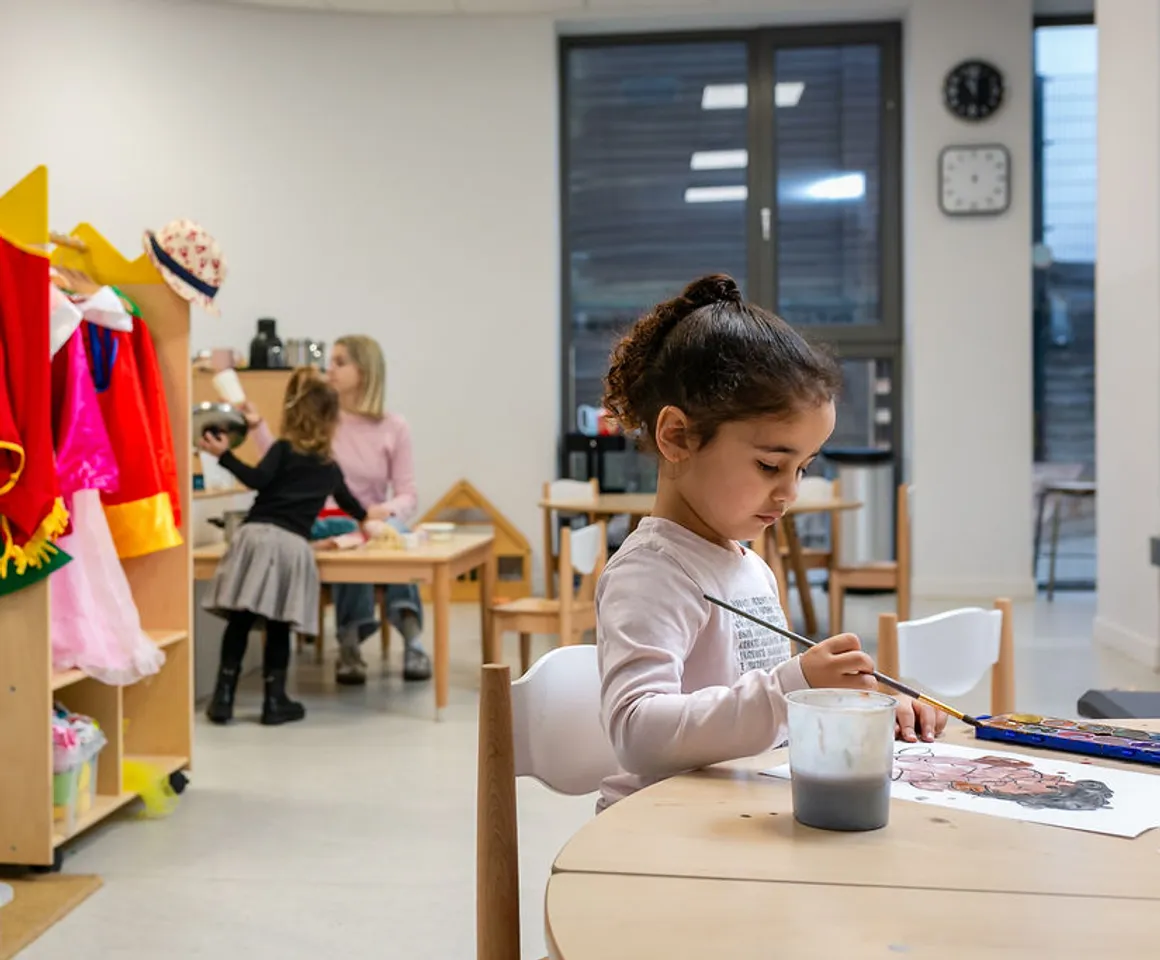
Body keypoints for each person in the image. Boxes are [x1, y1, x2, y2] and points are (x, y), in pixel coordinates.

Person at [595, 274, 947, 810]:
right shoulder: (651, 573)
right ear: (677, 437)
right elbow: (639, 732)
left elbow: (758, 720)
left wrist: (854, 707)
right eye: (769, 465)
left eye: (802, 468)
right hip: (659, 836)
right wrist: (793, 689)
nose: (789, 492)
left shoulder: (750, 568)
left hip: (733, 817)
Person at [200, 368, 387, 725]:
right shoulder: (329, 468)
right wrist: (371, 521)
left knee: (239, 620)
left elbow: (257, 480)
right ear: (331, 422)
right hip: (290, 547)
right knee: (279, 625)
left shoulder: (283, 450)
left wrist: (224, 455)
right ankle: (275, 701)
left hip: (254, 536)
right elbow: (353, 507)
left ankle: (223, 698)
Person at [244, 335, 429, 686]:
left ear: (365, 371)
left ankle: (412, 638)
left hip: (368, 520)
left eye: (340, 362)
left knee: (396, 535)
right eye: (331, 360)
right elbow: (283, 460)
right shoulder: (323, 422)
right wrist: (257, 427)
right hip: (324, 521)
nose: (330, 369)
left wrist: (381, 511)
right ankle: (350, 641)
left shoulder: (394, 427)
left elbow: (407, 494)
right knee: (346, 533)